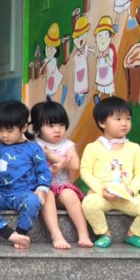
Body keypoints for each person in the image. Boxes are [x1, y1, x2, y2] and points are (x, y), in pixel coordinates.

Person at [0, 101, 51, 250]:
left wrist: (42, 189)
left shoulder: (34, 149)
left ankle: (20, 233)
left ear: (24, 127)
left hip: (23, 193)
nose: (4, 135)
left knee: (33, 201)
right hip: (0, 193)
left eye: (9, 130)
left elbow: (43, 171)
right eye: (0, 130)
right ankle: (8, 233)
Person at [82, 97, 140, 249]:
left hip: (127, 197)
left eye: (128, 118)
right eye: (118, 119)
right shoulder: (92, 147)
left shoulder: (134, 148)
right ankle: (104, 234)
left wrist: (131, 190)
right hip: (102, 196)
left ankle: (133, 234)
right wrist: (100, 190)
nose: (124, 123)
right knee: (89, 204)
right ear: (102, 123)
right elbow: (85, 172)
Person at [30, 99, 92, 249]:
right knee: (48, 194)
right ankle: (56, 235)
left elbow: (75, 164)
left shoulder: (67, 144)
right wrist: (52, 170)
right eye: (51, 126)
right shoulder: (33, 145)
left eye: (61, 125)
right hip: (41, 187)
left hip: (62, 187)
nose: (57, 130)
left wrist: (51, 157)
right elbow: (31, 170)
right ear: (38, 127)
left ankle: (83, 234)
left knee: (70, 195)